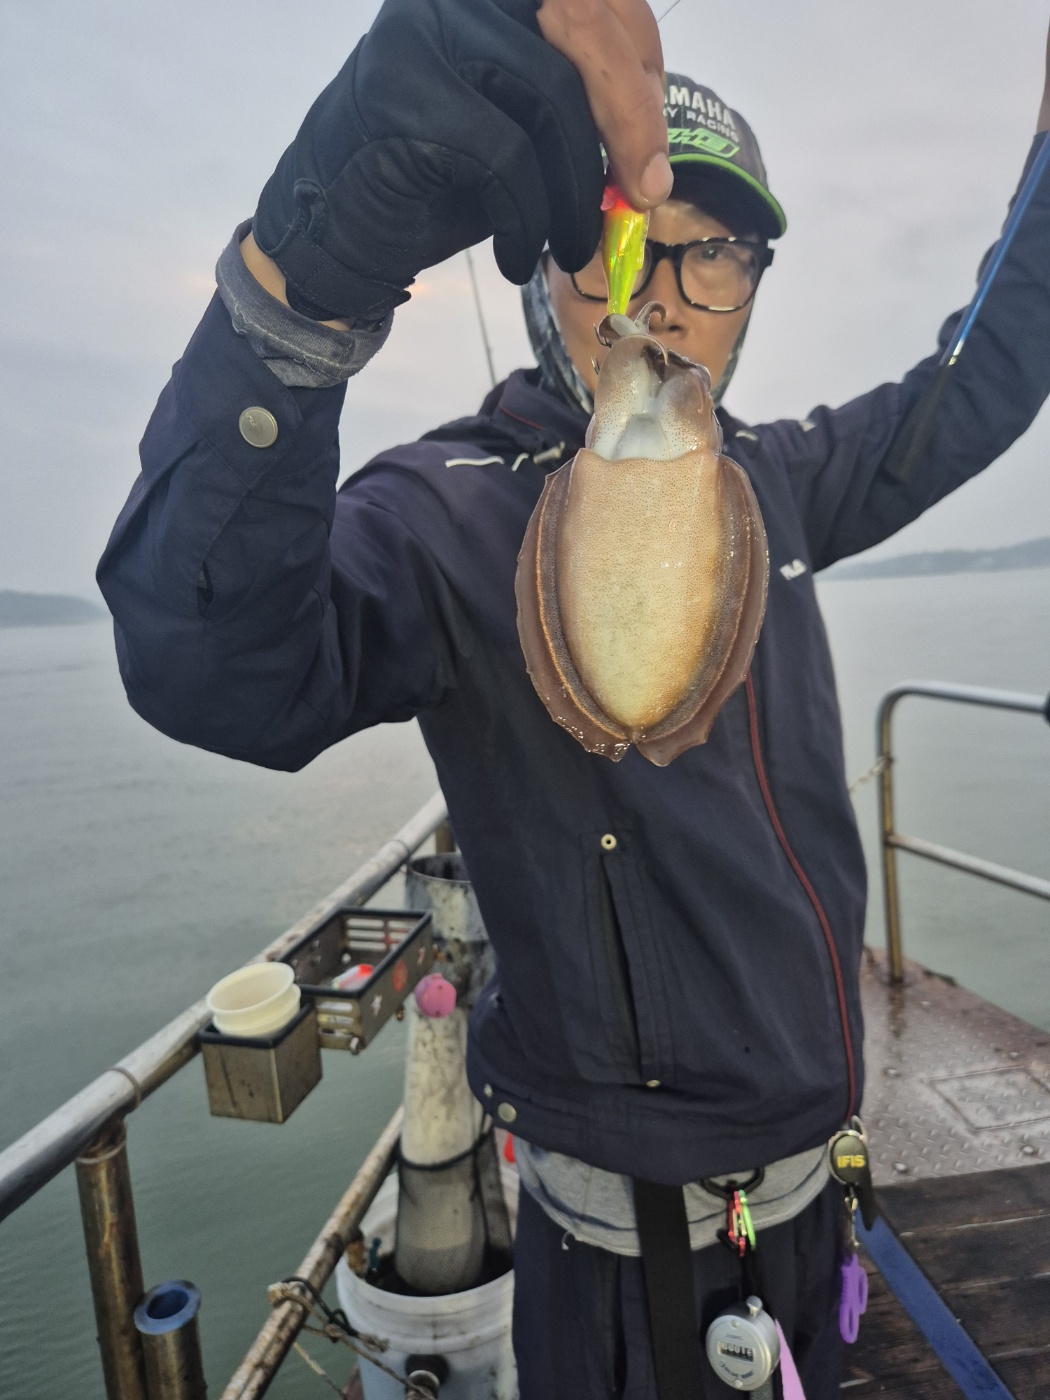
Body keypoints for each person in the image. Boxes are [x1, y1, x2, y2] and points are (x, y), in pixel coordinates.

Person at [97, 1, 1050, 1394]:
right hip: (619, 1256)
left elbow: (980, 384)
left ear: (752, 285)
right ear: (549, 267)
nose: (656, 293)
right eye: (619, 242)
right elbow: (214, 664)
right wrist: (311, 282)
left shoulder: (778, 478)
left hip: (811, 1190)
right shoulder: (447, 510)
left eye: (713, 253)